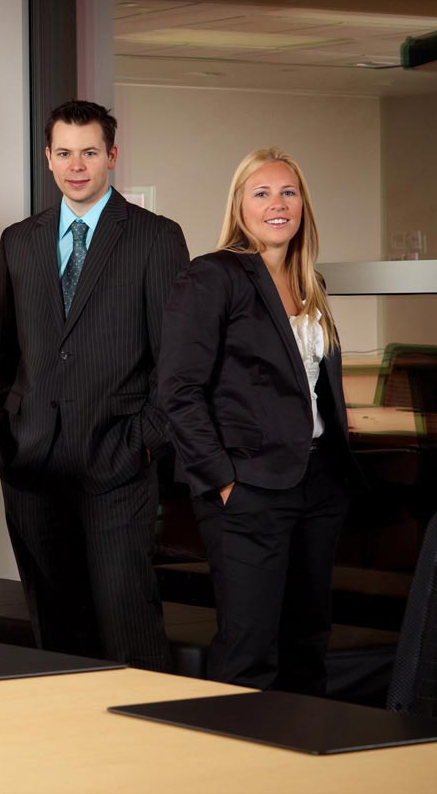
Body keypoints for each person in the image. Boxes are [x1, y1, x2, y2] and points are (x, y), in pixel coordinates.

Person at [0, 100, 188, 671]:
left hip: (117, 460)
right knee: (54, 632)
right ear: (48, 159)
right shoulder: (19, 241)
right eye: (64, 153)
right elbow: (3, 351)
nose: (76, 165)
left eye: (89, 152)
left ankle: (147, 750)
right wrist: (6, 431)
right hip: (32, 462)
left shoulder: (156, 238)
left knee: (128, 626)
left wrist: (144, 440)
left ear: (112, 157)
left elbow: (174, 363)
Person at [159, 147, 356, 693]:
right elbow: (178, 391)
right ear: (240, 207)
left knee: (308, 641)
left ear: (303, 205)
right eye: (262, 193)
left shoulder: (311, 284)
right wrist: (224, 482)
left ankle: (302, 768)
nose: (277, 204)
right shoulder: (213, 276)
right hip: (248, 488)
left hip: (317, 484)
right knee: (250, 650)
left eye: (288, 192)